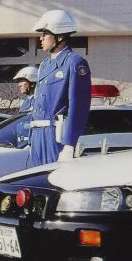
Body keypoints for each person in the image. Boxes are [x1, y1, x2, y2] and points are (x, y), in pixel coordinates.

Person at [28, 10, 92, 167]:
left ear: (60, 36)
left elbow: (78, 106)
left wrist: (69, 143)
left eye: (45, 34)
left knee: (54, 184)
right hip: (37, 135)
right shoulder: (44, 65)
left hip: (56, 135)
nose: (41, 38)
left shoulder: (74, 63)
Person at [13, 66, 39, 148]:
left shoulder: (40, 101)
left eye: (22, 81)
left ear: (32, 83)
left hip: (33, 146)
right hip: (21, 145)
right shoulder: (24, 103)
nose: (19, 85)